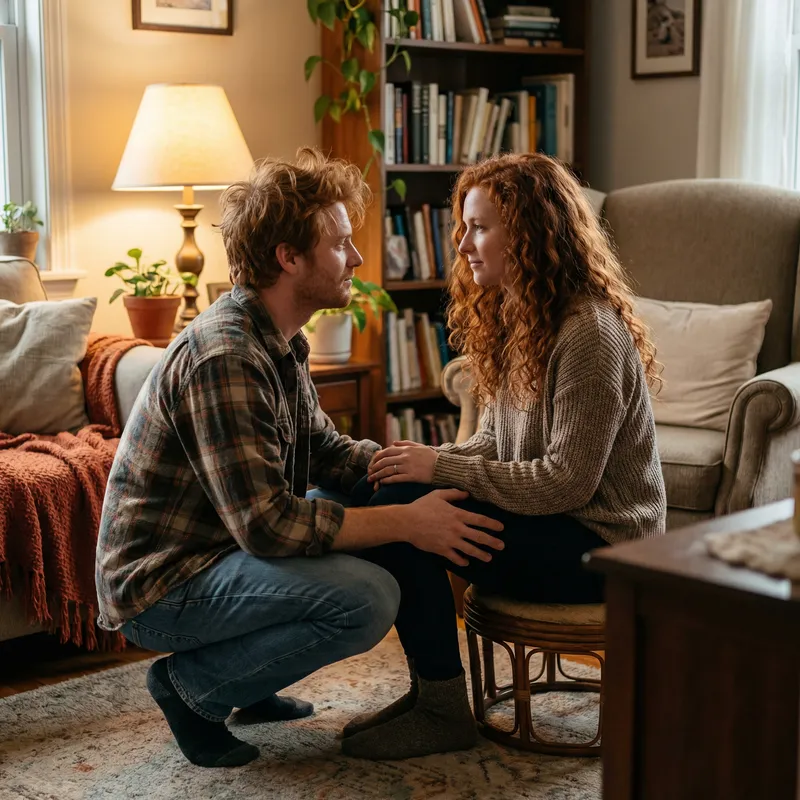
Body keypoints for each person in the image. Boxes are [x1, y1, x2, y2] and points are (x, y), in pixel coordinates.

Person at [95, 148, 505, 769]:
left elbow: (324, 451)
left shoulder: (278, 338)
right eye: (341, 243)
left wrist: (422, 467)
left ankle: (249, 685)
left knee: (349, 503)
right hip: (163, 585)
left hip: (221, 551)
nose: (358, 258)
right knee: (366, 596)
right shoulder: (226, 356)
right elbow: (269, 526)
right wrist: (407, 521)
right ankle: (190, 690)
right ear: (289, 257)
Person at [339, 152, 668, 761]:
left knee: (403, 515)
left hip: (604, 548)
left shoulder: (588, 333)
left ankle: (439, 709)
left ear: (534, 234)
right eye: (463, 227)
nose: (462, 244)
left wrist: (437, 468)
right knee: (388, 496)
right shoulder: (519, 318)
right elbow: (493, 444)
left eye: (480, 227)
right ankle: (431, 696)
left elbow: (566, 483)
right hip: (554, 526)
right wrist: (427, 460)